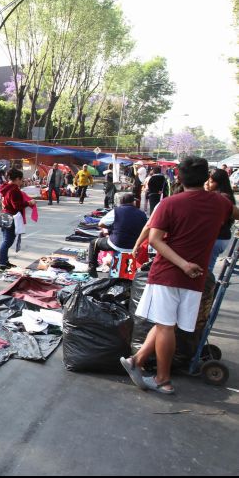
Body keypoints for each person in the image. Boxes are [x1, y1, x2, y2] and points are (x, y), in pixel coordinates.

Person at [121, 156, 239, 395]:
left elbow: (154, 239)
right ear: (207, 177)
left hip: (169, 273)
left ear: (179, 177)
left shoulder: (170, 204)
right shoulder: (220, 204)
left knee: (165, 326)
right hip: (196, 276)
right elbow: (235, 213)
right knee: (168, 324)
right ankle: (137, 360)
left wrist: (183, 264)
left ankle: (163, 379)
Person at [86, 193, 148, 278]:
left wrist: (110, 228)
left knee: (94, 243)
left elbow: (101, 224)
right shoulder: (142, 214)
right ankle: (126, 274)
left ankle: (92, 269)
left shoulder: (116, 211)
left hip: (117, 244)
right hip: (133, 246)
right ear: (133, 202)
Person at [0, 168, 36, 272]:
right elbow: (16, 206)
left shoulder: (5, 187)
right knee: (7, 241)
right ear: (17, 179)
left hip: (4, 215)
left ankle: (4, 261)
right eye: (21, 180)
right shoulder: (14, 189)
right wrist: (29, 203)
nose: (22, 182)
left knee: (5, 240)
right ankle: (1, 264)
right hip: (11, 216)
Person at [205, 168, 236, 272]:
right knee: (207, 268)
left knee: (206, 270)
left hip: (217, 237)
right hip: (222, 237)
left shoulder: (220, 197)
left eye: (211, 181)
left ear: (219, 183)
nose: (207, 184)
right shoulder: (225, 195)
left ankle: (209, 288)